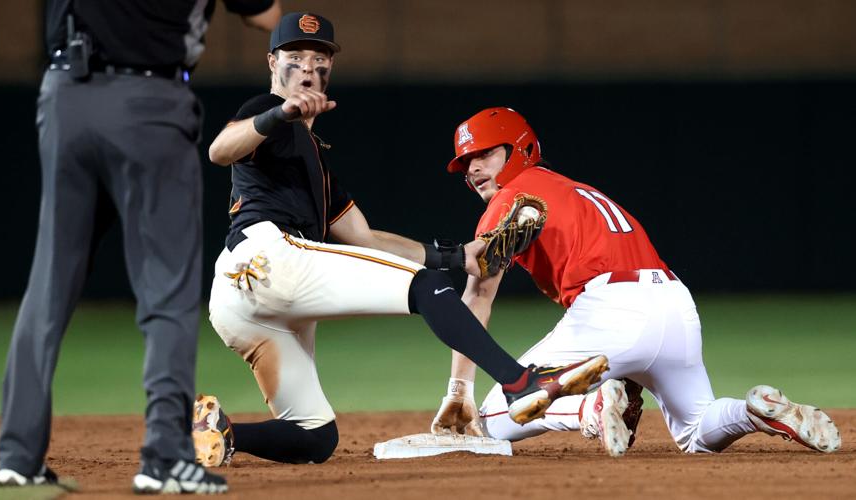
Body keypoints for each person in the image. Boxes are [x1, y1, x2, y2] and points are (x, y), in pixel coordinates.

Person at [191, 12, 610, 468]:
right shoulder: (267, 115)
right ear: (273, 62)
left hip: (237, 301)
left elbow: (367, 239)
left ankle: (219, 431)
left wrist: (460, 256)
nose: (309, 67)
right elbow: (218, 150)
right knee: (427, 287)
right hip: (268, 258)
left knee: (314, 437)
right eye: (295, 57)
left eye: (319, 58)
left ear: (329, 69)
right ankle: (520, 384)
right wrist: (279, 112)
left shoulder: (317, 165)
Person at [430, 107, 842, 457]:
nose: (474, 168)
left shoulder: (513, 197)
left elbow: (477, 296)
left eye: (484, 153)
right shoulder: (572, 188)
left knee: (494, 419)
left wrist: (458, 388)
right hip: (674, 303)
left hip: (612, 310)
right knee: (697, 430)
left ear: (520, 149)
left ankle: (588, 408)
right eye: (466, 162)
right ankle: (755, 412)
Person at [0, 0, 284, 494]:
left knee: (49, 286)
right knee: (165, 293)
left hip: (66, 96)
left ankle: (17, 457)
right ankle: (165, 458)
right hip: (149, 102)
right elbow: (266, 15)